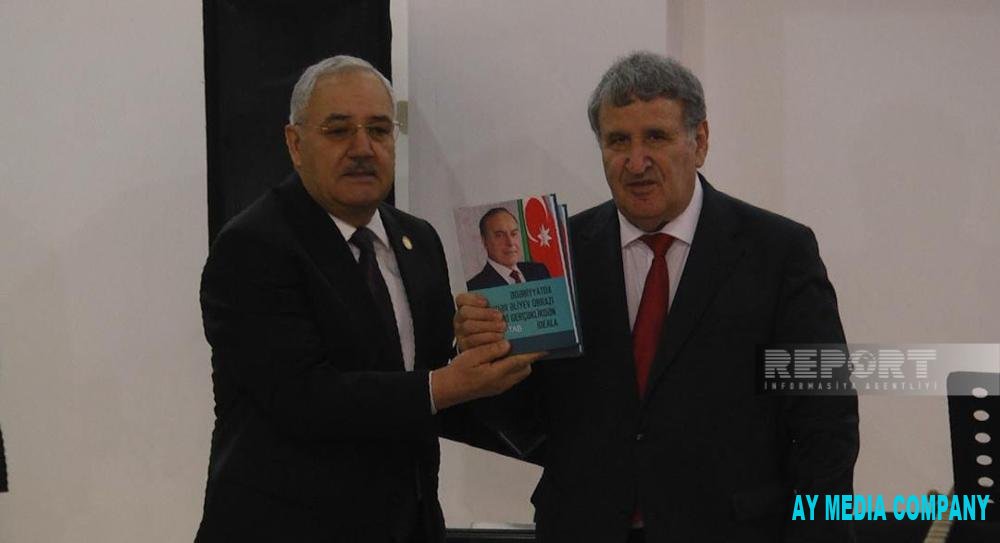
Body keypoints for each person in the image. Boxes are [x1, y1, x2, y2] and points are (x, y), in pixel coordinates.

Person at [455, 52, 859, 542]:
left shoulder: (779, 252)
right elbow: (524, 419)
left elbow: (826, 422)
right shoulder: (555, 260)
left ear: (700, 141)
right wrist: (482, 353)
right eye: (618, 141)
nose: (636, 162)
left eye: (656, 137)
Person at [196, 55, 539, 543]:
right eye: (338, 131)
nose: (362, 148)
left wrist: (480, 352)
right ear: (295, 143)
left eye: (379, 130)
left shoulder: (418, 240)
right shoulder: (252, 246)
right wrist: (444, 384)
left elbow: (424, 380)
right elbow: (302, 398)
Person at [466, 208, 550, 290]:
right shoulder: (474, 288)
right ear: (484, 241)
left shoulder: (539, 271)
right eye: (500, 235)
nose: (510, 243)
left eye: (514, 234)